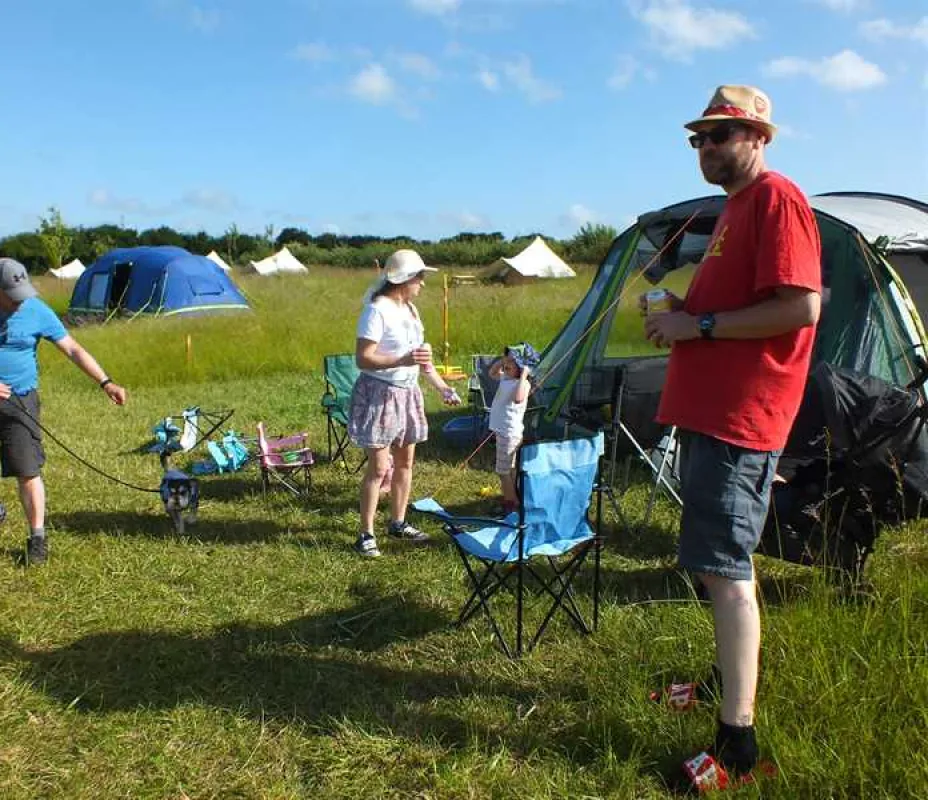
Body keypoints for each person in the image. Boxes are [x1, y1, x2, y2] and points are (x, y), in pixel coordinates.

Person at [641, 85, 822, 784]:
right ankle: (719, 686)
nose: (708, 147)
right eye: (699, 138)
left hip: (742, 416)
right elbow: (739, 307)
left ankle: (737, 745)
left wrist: (700, 326)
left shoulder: (777, 198)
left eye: (722, 133)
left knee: (728, 574)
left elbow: (800, 306)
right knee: (716, 566)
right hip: (711, 411)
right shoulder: (732, 212)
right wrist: (682, 309)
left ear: (759, 137)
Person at [0, 257, 128, 565]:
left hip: (20, 401)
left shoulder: (35, 309)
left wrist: (105, 382)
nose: (19, 303)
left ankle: (37, 538)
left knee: (28, 470)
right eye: (11, 296)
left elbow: (72, 348)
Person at [348, 249, 461, 558]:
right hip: (380, 394)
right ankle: (366, 533)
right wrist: (402, 358)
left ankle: (397, 522)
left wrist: (441, 387)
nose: (423, 284)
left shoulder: (411, 310)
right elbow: (363, 358)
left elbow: (422, 359)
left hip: (408, 394)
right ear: (404, 279)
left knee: (406, 463)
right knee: (379, 467)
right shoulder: (377, 310)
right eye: (420, 278)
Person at [487, 342, 539, 514]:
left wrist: (524, 376)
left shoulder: (522, 384)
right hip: (503, 432)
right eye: (507, 361)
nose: (507, 365)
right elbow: (492, 373)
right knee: (510, 469)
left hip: (509, 433)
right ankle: (514, 497)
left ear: (523, 367)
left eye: (512, 362)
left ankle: (511, 503)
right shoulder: (507, 378)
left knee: (502, 471)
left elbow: (518, 399)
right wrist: (502, 361)